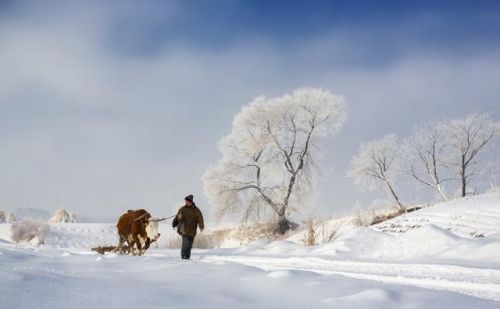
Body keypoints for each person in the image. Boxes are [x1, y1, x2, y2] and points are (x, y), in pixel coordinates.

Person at [172, 194, 204, 259]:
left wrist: (201, 226)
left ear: (191, 202)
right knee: (185, 244)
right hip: (184, 230)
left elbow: (200, 219)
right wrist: (174, 223)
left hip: (192, 231)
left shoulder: (196, 210)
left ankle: (187, 257)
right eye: (186, 201)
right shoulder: (182, 209)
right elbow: (177, 217)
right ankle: (183, 257)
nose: (187, 202)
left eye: (188, 201)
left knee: (189, 246)